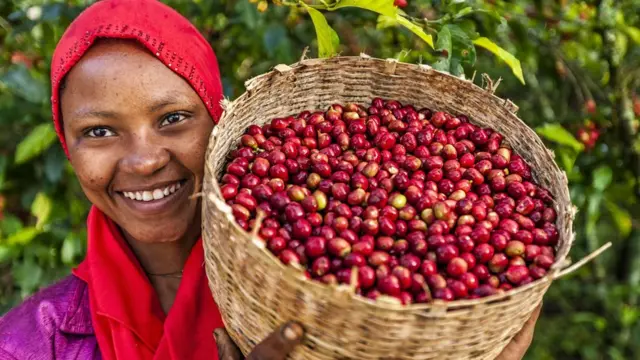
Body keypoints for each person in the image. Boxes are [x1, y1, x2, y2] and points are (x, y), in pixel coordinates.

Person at [0, 0, 541, 359]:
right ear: (66, 147)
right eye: (99, 132)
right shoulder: (29, 344)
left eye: (172, 119)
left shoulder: (321, 302)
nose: (143, 160)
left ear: (221, 121)